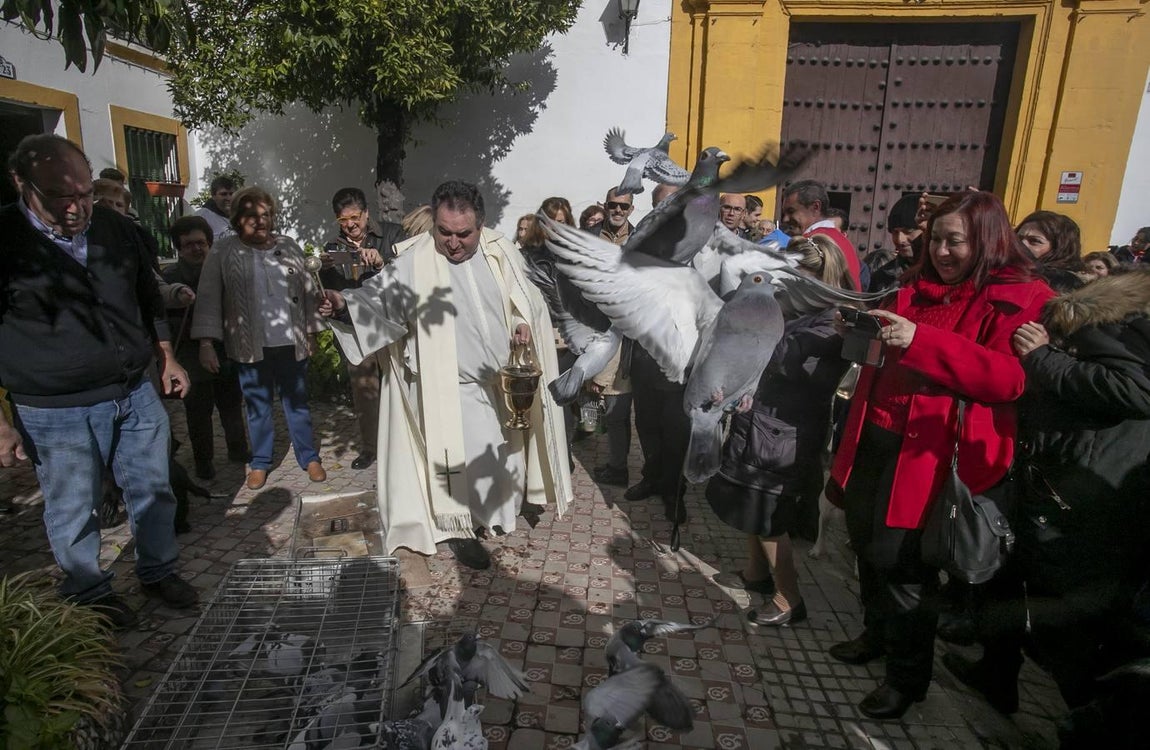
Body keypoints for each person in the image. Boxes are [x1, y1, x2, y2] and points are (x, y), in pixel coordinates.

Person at [825, 191, 1054, 719]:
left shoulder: (1022, 298)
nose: (942, 252)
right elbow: (887, 353)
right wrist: (859, 332)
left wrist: (919, 339)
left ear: (988, 241)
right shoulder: (914, 286)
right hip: (875, 435)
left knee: (904, 566)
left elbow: (1008, 378)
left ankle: (906, 679)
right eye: (936, 240)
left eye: (956, 241)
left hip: (932, 452)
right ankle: (875, 634)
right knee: (865, 544)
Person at [318, 181, 572, 570]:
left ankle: (490, 514)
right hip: (445, 389)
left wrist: (522, 321)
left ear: (481, 225)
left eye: (463, 234)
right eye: (444, 232)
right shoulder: (415, 262)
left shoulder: (501, 252)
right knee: (453, 465)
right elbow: (378, 300)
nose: (453, 243)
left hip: (496, 386)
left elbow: (526, 299)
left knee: (494, 461)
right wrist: (340, 304)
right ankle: (458, 530)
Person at [0, 134, 198, 629]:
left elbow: (147, 298)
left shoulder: (116, 228)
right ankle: (89, 590)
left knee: (155, 488)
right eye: (60, 197)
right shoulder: (4, 240)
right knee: (74, 506)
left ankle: (157, 571)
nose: (76, 208)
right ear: (21, 183)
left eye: (85, 193)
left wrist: (167, 357)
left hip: (133, 390)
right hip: (52, 407)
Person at [942, 267, 1150, 725]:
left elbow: (1135, 391)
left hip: (1084, 491)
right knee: (1007, 578)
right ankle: (996, 674)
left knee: (1066, 621)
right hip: (1052, 477)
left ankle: (1091, 720)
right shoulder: (1107, 313)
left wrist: (1043, 358)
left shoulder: (1126, 320)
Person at [707, 234, 852, 625]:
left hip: (784, 430)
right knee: (751, 500)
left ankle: (790, 599)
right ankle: (756, 573)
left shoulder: (832, 322)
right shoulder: (793, 308)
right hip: (762, 419)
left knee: (768, 514)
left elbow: (793, 364)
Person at [191, 186, 326, 491]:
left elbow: (307, 291)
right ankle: (261, 461)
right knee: (257, 405)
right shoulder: (223, 251)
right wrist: (206, 343)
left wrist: (312, 332)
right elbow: (208, 298)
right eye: (252, 215)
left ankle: (309, 457)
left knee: (297, 403)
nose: (260, 220)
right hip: (249, 343)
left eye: (266, 214)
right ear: (238, 219)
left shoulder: (288, 246)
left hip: (290, 341)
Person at [320, 187, 404, 471]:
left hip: (393, 325)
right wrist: (323, 276)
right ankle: (371, 448)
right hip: (356, 329)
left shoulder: (393, 234)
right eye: (343, 220)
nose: (350, 225)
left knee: (400, 385)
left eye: (355, 217)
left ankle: (404, 444)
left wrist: (382, 262)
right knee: (365, 391)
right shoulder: (332, 249)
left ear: (367, 213)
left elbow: (409, 273)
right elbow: (330, 294)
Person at [162, 215, 249, 481]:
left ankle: (238, 449)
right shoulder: (170, 278)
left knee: (231, 404)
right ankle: (203, 460)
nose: (197, 249)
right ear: (179, 248)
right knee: (198, 412)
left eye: (201, 243)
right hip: (190, 355)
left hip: (225, 348)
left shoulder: (224, 271)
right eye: (189, 245)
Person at [780, 180, 862, 290]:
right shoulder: (844, 241)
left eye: (791, 211)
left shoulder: (810, 244)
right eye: (784, 213)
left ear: (815, 207)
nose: (785, 219)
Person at [1016, 210, 1089, 292]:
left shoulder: (1062, 286)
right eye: (1017, 238)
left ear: (1058, 249)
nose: (1022, 244)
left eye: (1035, 241)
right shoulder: (1010, 273)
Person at [868, 194, 924, 292]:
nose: (900, 239)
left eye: (908, 231)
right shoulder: (882, 277)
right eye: (895, 232)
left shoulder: (944, 273)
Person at [194, 175, 238, 241]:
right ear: (213, 196)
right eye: (224, 194)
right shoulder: (201, 217)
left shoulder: (241, 215)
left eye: (231, 194)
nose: (229, 198)